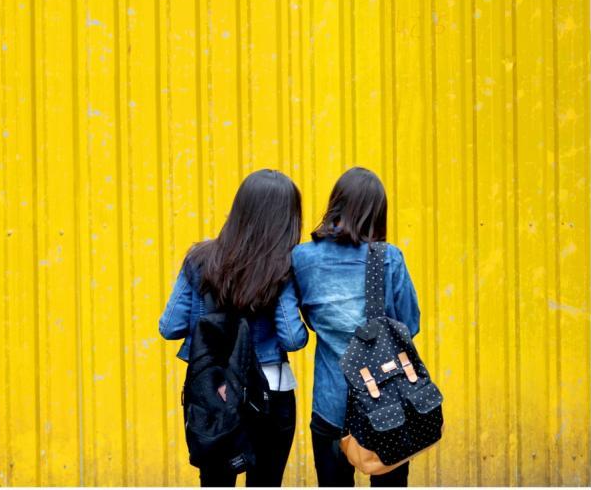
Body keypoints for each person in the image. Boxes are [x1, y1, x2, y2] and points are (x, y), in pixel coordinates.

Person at [159, 169, 309, 487]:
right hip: (269, 394)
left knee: (215, 480)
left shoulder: (199, 260)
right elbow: (293, 339)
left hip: (213, 393)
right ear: (286, 219)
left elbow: (169, 327)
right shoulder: (282, 266)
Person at [283, 167, 420, 487]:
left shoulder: (302, 258)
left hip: (331, 405)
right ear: (377, 213)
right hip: (387, 403)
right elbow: (410, 325)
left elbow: (294, 320)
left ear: (336, 205)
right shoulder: (389, 258)